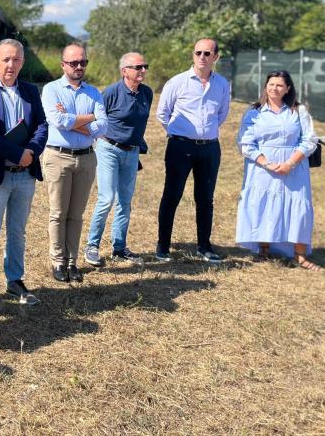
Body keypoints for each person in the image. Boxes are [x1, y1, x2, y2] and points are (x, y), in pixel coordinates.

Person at [0, 38, 48, 311]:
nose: (11, 65)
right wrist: (18, 153)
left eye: (16, 59)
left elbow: (42, 125)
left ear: (22, 62)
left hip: (24, 175)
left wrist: (31, 151)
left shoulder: (30, 91)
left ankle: (15, 280)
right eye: (6, 59)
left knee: (18, 232)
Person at [235, 71, 321, 270]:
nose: (274, 88)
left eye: (280, 85)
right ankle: (264, 248)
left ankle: (299, 255)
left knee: (298, 207)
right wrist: (266, 163)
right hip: (262, 169)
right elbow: (246, 143)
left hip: (294, 167)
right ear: (265, 86)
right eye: (271, 84)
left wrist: (290, 163)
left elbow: (309, 140)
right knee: (263, 205)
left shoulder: (298, 111)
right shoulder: (254, 112)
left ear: (288, 89)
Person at [156, 37, 230, 263]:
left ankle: (204, 246)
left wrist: (204, 133)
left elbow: (222, 114)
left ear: (215, 57)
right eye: (198, 53)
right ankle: (163, 245)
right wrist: (179, 134)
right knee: (172, 195)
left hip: (209, 149)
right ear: (193, 55)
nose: (202, 57)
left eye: (207, 53)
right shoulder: (177, 82)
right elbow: (162, 113)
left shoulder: (222, 84)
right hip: (180, 146)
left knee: (205, 198)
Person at [41, 43, 108, 283]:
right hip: (58, 157)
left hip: (87, 157)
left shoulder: (94, 92)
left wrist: (74, 122)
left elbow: (104, 125)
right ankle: (58, 261)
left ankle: (72, 261)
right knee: (58, 213)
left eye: (83, 62)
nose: (79, 66)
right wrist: (89, 120)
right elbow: (57, 120)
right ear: (63, 65)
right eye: (74, 63)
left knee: (77, 214)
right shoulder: (51, 90)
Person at [84, 52, 153, 267]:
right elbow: (94, 118)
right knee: (106, 198)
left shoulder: (147, 93)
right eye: (137, 67)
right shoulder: (111, 92)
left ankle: (119, 248)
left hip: (131, 152)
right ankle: (92, 246)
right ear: (125, 71)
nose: (142, 70)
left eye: (144, 66)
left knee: (125, 201)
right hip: (108, 148)